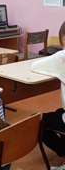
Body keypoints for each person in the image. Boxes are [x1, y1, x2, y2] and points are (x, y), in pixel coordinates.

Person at [31, 21, 65, 160]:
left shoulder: (62, 57)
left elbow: (35, 65)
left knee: (36, 120)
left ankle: (62, 149)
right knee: (58, 112)